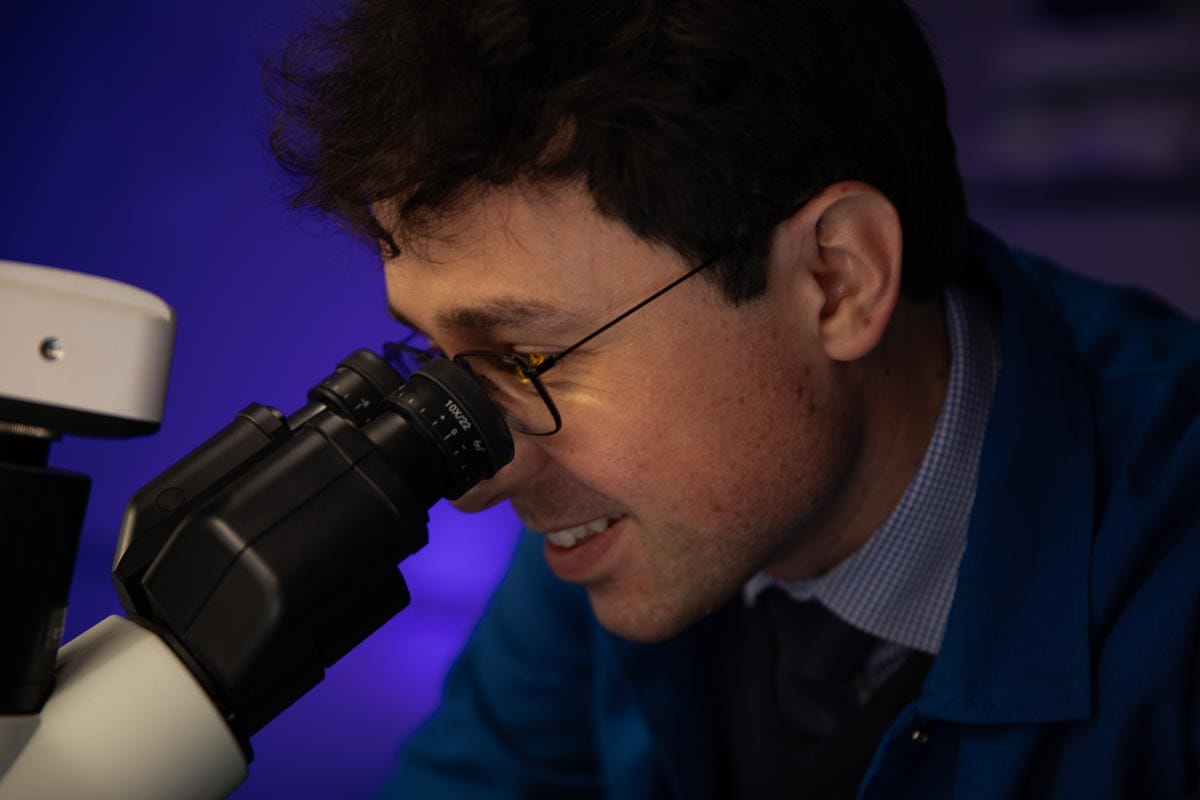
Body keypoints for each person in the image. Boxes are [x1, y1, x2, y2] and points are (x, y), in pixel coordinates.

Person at [268, 1, 1200, 797]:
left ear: (836, 279)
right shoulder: (614, 521)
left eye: (530, 355)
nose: (482, 484)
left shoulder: (1171, 588)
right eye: (441, 358)